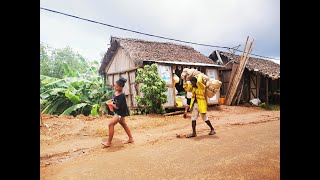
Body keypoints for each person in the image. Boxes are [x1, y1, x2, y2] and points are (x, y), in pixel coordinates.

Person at [101, 77, 134, 147]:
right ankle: (131, 138)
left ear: (121, 87)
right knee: (124, 124)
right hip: (117, 112)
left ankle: (109, 143)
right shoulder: (115, 93)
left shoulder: (121, 96)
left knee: (110, 124)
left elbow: (118, 106)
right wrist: (111, 102)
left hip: (120, 113)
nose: (114, 87)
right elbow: (114, 100)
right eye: (114, 85)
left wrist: (111, 104)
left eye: (116, 86)